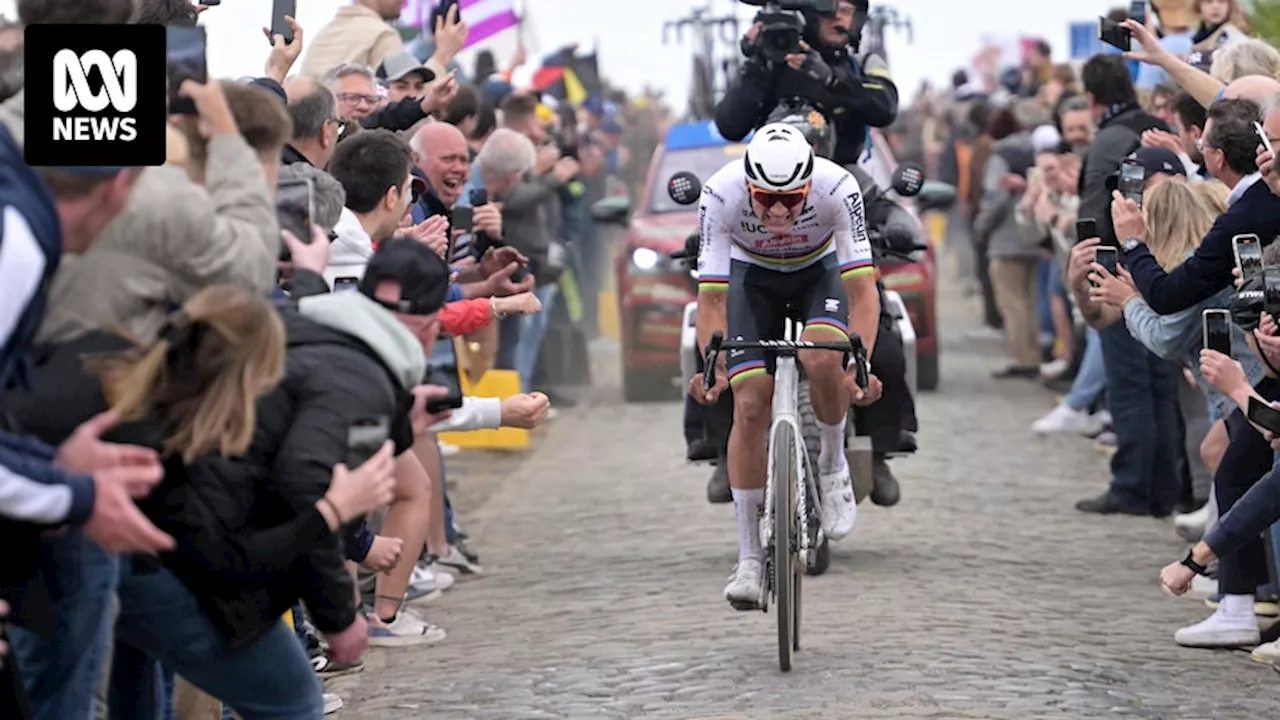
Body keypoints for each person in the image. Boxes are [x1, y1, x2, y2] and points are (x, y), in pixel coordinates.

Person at [691, 123, 883, 610]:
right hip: (750, 278)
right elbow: (711, 297)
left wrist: (860, 365)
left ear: (810, 185)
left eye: (792, 200)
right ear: (748, 185)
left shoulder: (838, 187)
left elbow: (862, 292)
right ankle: (750, 558)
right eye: (765, 199)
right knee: (749, 403)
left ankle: (833, 462)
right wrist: (711, 364)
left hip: (819, 275)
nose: (778, 211)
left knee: (822, 356)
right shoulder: (721, 192)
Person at [713, 0, 897, 167]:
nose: (836, 16)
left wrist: (832, 79)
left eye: (844, 10)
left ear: (857, 18)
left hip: (842, 177)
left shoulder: (862, 64)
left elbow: (885, 107)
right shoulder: (771, 65)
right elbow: (730, 127)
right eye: (827, 9)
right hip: (773, 182)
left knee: (885, 204)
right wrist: (756, 64)